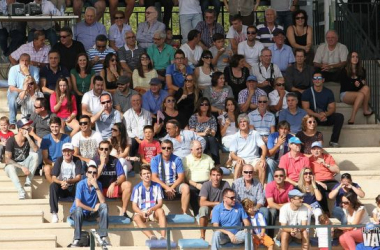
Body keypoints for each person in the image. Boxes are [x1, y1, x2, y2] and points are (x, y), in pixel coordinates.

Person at [69, 161, 109, 247]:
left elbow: (102, 202)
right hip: (78, 212)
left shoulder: (98, 184)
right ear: (86, 174)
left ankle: (103, 238)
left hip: (90, 213)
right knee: (79, 210)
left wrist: (96, 187)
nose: (92, 174)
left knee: (104, 207)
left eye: (94, 173)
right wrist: (93, 209)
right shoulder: (80, 184)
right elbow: (78, 204)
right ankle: (76, 239)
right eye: (90, 172)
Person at [302, 72, 344, 147]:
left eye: (319, 78)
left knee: (339, 117)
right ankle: (308, 141)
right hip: (313, 116)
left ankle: (333, 141)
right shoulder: (307, 92)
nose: (317, 80)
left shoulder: (328, 92)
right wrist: (317, 115)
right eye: (315, 78)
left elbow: (332, 108)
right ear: (312, 80)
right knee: (305, 117)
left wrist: (325, 114)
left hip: (324, 116)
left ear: (323, 80)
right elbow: (306, 108)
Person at [151, 140, 191, 214]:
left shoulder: (177, 159)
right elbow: (154, 177)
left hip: (173, 184)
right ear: (160, 149)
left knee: (186, 187)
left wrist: (171, 187)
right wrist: (167, 188)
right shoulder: (155, 159)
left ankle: (184, 213)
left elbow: (181, 177)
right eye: (164, 148)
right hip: (161, 185)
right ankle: (156, 213)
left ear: (172, 149)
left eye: (169, 148)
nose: (166, 149)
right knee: (155, 188)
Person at [94, 140, 132, 217]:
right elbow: (93, 178)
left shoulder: (115, 160)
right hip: (99, 190)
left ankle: (123, 212)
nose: (104, 151)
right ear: (98, 150)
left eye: (106, 149)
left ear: (110, 150)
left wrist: (114, 183)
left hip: (112, 188)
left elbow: (122, 177)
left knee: (127, 184)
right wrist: (102, 164)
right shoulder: (94, 160)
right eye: (101, 149)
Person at [4, 118, 39, 200]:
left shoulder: (29, 138)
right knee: (9, 167)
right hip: (15, 168)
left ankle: (28, 182)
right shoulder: (11, 140)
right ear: (20, 130)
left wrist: (28, 137)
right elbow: (7, 160)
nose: (29, 130)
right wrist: (21, 167)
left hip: (25, 166)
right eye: (26, 129)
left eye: (29, 128)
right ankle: (21, 191)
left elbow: (36, 150)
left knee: (35, 155)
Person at [131, 165, 166, 240]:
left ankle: (163, 237)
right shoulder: (136, 188)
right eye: (144, 174)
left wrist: (152, 209)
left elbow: (160, 203)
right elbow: (134, 206)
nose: (146, 175)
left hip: (153, 210)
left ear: (151, 174)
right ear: (141, 176)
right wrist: (141, 213)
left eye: (148, 173)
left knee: (161, 211)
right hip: (142, 211)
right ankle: (151, 236)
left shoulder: (157, 186)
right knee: (136, 217)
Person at [229, 113, 267, 183]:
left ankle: (261, 189)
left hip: (254, 159)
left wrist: (263, 157)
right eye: (240, 122)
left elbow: (263, 147)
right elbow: (232, 154)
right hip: (242, 160)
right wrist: (238, 158)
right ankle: (234, 188)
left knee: (262, 165)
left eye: (244, 121)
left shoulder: (255, 134)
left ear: (248, 123)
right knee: (238, 164)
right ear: (238, 124)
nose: (242, 124)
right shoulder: (235, 136)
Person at [49, 143, 82, 223]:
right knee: (53, 186)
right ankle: (54, 213)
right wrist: (62, 183)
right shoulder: (59, 160)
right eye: (65, 151)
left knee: (79, 185)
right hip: (62, 187)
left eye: (69, 151)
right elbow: (53, 177)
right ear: (62, 152)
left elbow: (78, 177)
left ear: (73, 152)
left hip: (72, 187)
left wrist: (68, 181)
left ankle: (77, 211)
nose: (67, 153)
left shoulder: (77, 160)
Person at [183, 140, 214, 217]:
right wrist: (196, 185)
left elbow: (213, 172)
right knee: (191, 190)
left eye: (201, 148)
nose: (200, 150)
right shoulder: (186, 160)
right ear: (191, 150)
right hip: (193, 183)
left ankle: (211, 214)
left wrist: (208, 183)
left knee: (214, 188)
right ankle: (197, 214)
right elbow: (186, 178)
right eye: (197, 149)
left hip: (207, 182)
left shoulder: (208, 158)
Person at [7, 53, 40, 128]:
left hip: (31, 91)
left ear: (30, 62)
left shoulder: (35, 70)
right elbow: (12, 88)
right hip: (17, 91)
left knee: (39, 95)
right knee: (12, 96)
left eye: (26, 61)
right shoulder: (13, 69)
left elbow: (36, 86)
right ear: (19, 61)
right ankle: (12, 122)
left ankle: (36, 120)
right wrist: (23, 90)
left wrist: (27, 74)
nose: (24, 63)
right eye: (22, 60)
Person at [340, 51, 372, 124]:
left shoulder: (362, 70)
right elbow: (345, 86)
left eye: (357, 57)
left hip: (356, 92)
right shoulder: (344, 71)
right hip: (345, 94)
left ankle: (365, 110)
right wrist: (355, 84)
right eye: (353, 57)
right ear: (349, 58)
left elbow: (362, 84)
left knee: (366, 88)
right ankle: (352, 118)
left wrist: (358, 84)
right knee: (361, 95)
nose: (355, 58)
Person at [199, 167, 231, 240]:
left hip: (221, 209)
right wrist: (216, 204)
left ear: (222, 176)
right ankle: (202, 236)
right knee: (203, 209)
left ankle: (222, 237)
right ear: (210, 176)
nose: (216, 178)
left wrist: (216, 209)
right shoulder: (206, 185)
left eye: (218, 175)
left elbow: (228, 201)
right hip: (210, 209)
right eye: (213, 175)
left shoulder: (225, 184)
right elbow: (202, 202)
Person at [189, 97, 221, 167]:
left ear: (209, 106)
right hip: (197, 138)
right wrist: (203, 133)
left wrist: (208, 132)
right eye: (202, 104)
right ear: (198, 106)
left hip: (209, 137)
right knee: (205, 139)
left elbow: (213, 133)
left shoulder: (212, 117)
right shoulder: (193, 117)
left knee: (211, 139)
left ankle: (217, 163)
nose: (204, 106)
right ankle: (203, 160)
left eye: (206, 104)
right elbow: (191, 133)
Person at [309, 141, 340, 213]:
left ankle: (339, 209)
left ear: (322, 150)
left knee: (340, 188)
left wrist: (326, 164)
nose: (316, 151)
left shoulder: (328, 157)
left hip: (330, 180)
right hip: (318, 181)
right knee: (319, 189)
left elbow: (337, 170)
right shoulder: (309, 160)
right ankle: (326, 211)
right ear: (311, 151)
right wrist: (318, 182)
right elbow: (309, 175)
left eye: (318, 149)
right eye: (314, 149)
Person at [265, 168, 294, 237]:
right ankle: (270, 236)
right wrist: (284, 206)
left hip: (284, 209)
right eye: (276, 176)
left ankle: (289, 235)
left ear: (284, 177)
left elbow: (291, 204)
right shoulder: (269, 186)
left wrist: (278, 205)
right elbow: (270, 204)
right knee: (272, 211)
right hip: (274, 209)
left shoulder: (290, 186)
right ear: (273, 177)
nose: (279, 177)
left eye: (281, 175)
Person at [41, 117, 71, 183]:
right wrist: (54, 163)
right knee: (46, 169)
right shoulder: (46, 139)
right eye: (52, 126)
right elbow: (45, 159)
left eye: (56, 126)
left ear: (60, 126)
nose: (54, 129)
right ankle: (54, 187)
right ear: (50, 127)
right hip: (52, 164)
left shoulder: (67, 138)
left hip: (65, 162)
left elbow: (70, 154)